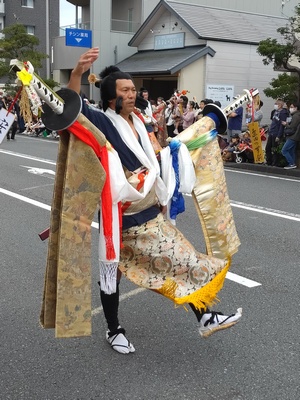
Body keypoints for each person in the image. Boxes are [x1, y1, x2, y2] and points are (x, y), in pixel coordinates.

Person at [67, 47, 242, 354]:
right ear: (111, 96)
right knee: (130, 271)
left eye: (134, 89)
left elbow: (158, 157)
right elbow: (71, 109)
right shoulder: (103, 122)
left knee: (165, 264)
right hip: (124, 217)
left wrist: (174, 164)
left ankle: (201, 317)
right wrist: (76, 74)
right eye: (125, 90)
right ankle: (116, 329)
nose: (133, 94)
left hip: (149, 212)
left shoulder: (138, 121)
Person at [265, 99, 289, 166]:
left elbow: (282, 125)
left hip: (276, 133)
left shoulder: (283, 113)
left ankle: (275, 162)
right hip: (271, 132)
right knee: (268, 148)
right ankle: (269, 161)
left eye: (276, 104)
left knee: (274, 148)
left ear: (280, 105)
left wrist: (279, 135)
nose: (275, 105)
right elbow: (273, 122)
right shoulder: (275, 112)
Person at [281, 102, 300, 169]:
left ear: (296, 108)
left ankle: (291, 163)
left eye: (292, 107)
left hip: (293, 136)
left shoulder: (296, 116)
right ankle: (292, 164)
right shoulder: (296, 115)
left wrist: (286, 124)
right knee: (291, 150)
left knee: (284, 150)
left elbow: (292, 126)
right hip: (295, 136)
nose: (290, 108)